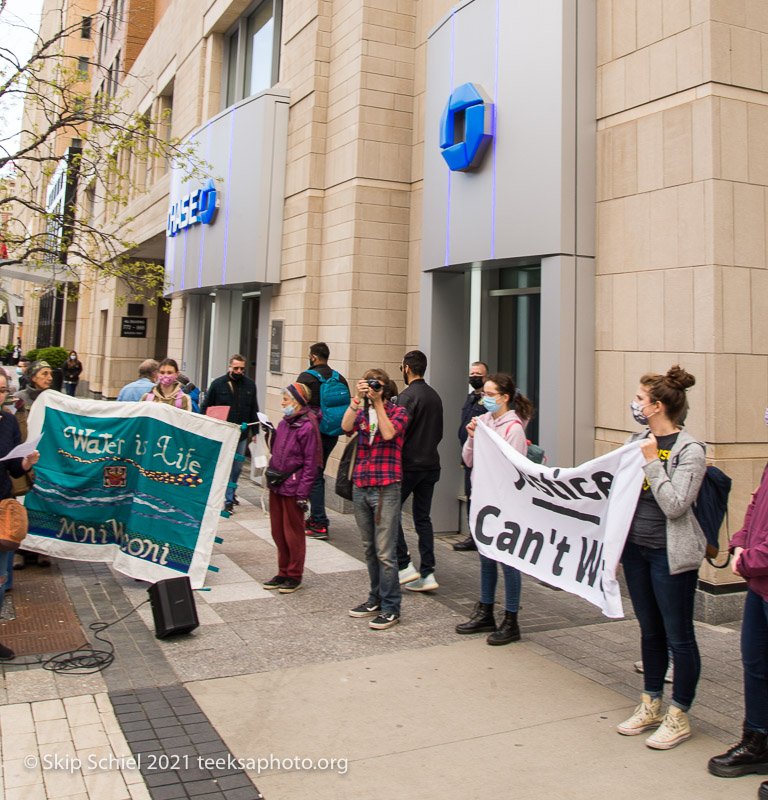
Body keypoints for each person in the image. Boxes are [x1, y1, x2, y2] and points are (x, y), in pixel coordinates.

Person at [616, 365, 705, 750]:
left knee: (679, 636)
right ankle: (651, 702)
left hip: (670, 557)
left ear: (656, 406)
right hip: (637, 550)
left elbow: (675, 505)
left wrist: (652, 460)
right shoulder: (637, 440)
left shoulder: (690, 451)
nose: (634, 404)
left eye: (639, 399)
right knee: (649, 631)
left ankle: (679, 714)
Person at [708, 410, 768, 786]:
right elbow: (754, 508)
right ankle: (757, 741)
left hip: (760, 574)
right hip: (759, 588)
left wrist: (751, 560)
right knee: (756, 664)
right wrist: (739, 543)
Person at [456, 373, 534, 645]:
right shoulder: (484, 423)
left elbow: (511, 470)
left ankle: (511, 619)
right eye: (483, 394)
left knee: (508, 560)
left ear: (504, 397)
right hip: (482, 498)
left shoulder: (513, 429)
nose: (484, 398)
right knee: (486, 556)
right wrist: (472, 437)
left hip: (504, 503)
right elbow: (468, 459)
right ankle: (485, 610)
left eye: (490, 394)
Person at [342, 368, 408, 630]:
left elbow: (389, 433)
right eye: (369, 384)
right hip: (361, 484)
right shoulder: (361, 411)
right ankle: (375, 598)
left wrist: (379, 403)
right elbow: (345, 427)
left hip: (386, 487)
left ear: (387, 388)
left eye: (377, 385)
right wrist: (356, 399)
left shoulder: (397, 411)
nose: (372, 388)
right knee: (369, 548)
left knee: (385, 551)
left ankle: (392, 606)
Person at [261, 383, 320, 594]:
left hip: (293, 487)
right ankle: (282, 571)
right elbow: (278, 450)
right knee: (277, 531)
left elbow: (311, 463)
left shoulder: (307, 426)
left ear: (297, 401)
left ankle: (295, 574)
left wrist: (303, 493)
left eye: (286, 399)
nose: (283, 403)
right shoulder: (284, 423)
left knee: (293, 533)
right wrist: (269, 434)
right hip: (277, 484)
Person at [395, 350, 443, 591]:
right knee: (422, 518)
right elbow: (440, 433)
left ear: (406, 368)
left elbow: (397, 432)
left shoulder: (406, 397)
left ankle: (404, 566)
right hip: (431, 465)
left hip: (408, 466)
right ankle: (428, 572)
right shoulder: (434, 396)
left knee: (389, 514)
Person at [0, 370, 40, 659]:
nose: (0, 395)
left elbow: (13, 468)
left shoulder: (8, 421)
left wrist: (25, 462)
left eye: (3, 390)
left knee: (0, 577)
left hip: (2, 506)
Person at [297, 342, 349, 540]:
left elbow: (296, 404)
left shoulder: (306, 378)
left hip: (312, 434)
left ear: (313, 357)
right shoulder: (340, 378)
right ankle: (315, 517)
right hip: (332, 434)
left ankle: (319, 522)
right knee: (317, 472)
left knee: (315, 475)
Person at [201, 354, 259, 513]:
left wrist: (255, 432)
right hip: (223, 432)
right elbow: (206, 406)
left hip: (241, 433)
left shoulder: (249, 385)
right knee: (225, 466)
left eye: (241, 368)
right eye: (236, 368)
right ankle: (227, 499)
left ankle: (230, 493)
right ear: (229, 367)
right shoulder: (218, 384)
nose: (239, 371)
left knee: (237, 467)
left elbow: (254, 408)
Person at [453, 361, 490, 551]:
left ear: (485, 377)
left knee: (479, 497)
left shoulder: (487, 401)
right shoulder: (470, 398)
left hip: (482, 459)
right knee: (470, 496)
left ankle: (482, 536)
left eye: (478, 374)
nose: (474, 376)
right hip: (468, 456)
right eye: (472, 373)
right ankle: (473, 535)